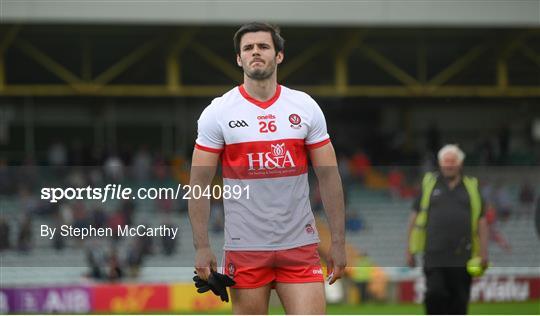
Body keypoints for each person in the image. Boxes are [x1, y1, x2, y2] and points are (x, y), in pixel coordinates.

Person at [188, 22, 346, 314]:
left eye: (263, 46)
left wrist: (337, 242)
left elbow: (329, 176)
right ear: (239, 59)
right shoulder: (218, 112)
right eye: (248, 48)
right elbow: (198, 184)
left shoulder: (305, 106)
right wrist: (202, 246)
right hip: (245, 248)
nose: (255, 52)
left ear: (279, 55)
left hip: (299, 246)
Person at [406, 144, 489, 315]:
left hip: (463, 255)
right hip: (434, 253)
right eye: (445, 161)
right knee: (434, 294)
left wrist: (484, 253)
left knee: (459, 301)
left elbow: (481, 221)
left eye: (452, 161)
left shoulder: (471, 186)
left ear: (460, 163)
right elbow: (413, 218)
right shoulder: (429, 184)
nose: (449, 165)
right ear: (440, 163)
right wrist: (409, 249)